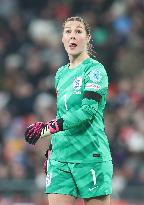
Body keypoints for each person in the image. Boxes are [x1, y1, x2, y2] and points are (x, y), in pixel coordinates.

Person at [25, 16, 113, 205]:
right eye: (68, 31)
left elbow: (87, 110)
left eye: (78, 31)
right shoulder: (61, 74)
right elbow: (63, 114)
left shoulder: (95, 70)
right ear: (62, 38)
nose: (72, 35)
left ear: (88, 38)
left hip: (90, 155)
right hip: (61, 157)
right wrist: (52, 147)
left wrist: (48, 128)